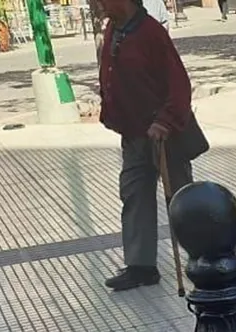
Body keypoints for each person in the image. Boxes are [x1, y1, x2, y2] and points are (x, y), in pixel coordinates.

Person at [98, 0, 194, 291]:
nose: (98, 5)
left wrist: (165, 121)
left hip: (163, 134)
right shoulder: (114, 29)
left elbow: (179, 85)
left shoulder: (150, 32)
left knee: (181, 200)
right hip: (133, 134)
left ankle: (203, 257)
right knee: (134, 195)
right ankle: (141, 266)